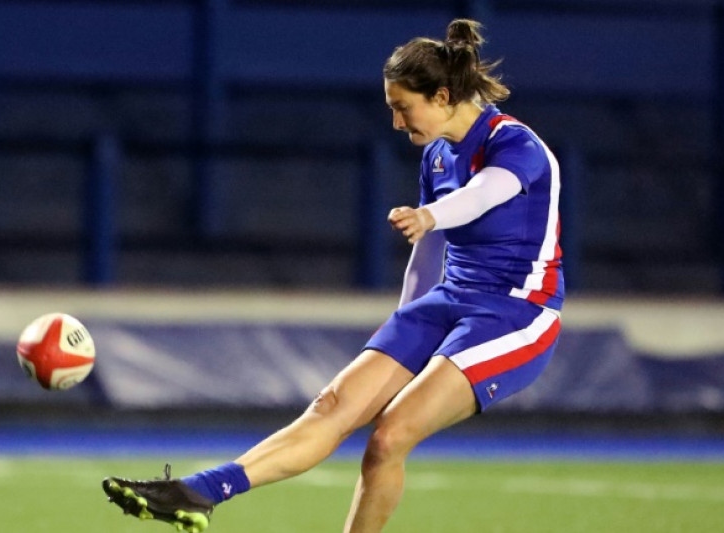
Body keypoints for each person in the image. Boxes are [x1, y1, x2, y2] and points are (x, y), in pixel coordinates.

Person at [102, 18, 564, 533]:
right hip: (447, 301)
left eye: (402, 107)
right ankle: (200, 491)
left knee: (389, 437)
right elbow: (428, 255)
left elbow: (487, 194)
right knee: (333, 406)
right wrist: (402, 328)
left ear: (441, 95)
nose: (395, 122)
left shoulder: (514, 144)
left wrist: (430, 214)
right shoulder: (436, 155)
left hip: (514, 313)